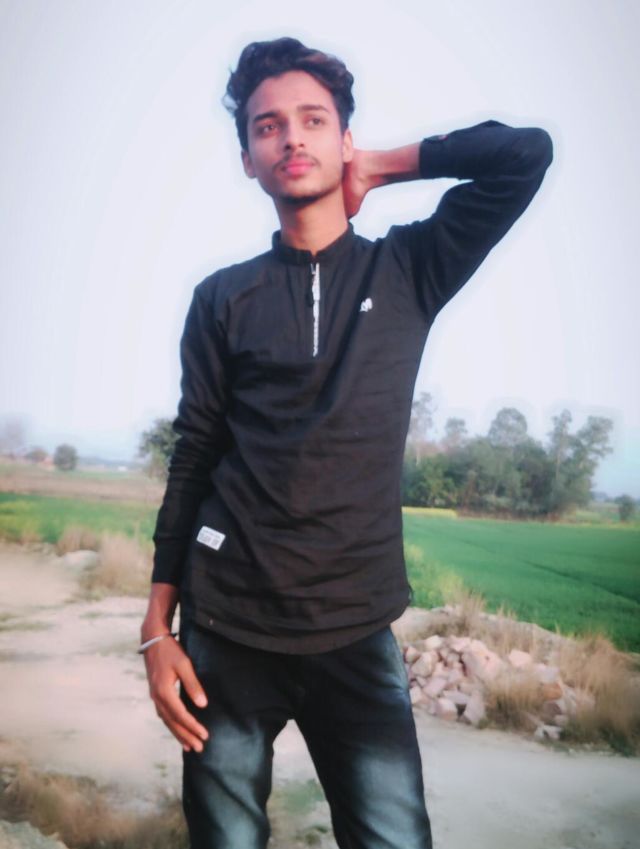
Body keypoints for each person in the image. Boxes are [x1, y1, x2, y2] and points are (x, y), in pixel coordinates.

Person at [140, 36, 553, 849]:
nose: (291, 138)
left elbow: (523, 156)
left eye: (313, 120)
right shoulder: (222, 298)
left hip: (356, 628)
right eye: (267, 126)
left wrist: (384, 167)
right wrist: (158, 629)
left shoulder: (409, 271)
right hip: (227, 626)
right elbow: (193, 457)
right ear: (248, 159)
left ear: (343, 138)